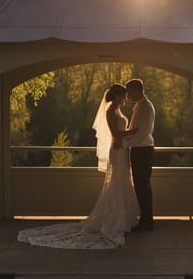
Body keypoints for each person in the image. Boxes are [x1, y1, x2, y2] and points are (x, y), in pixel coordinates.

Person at [17, 84, 139, 249]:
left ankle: (122, 220)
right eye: (124, 95)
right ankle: (114, 221)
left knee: (122, 183)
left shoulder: (117, 110)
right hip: (117, 151)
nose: (126, 98)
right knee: (116, 184)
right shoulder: (110, 111)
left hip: (123, 151)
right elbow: (116, 135)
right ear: (117, 95)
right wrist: (132, 132)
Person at [123, 79, 155, 231]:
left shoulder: (146, 107)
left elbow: (142, 133)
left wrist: (123, 144)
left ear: (137, 91)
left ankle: (147, 222)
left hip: (142, 150)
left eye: (129, 93)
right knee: (141, 186)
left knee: (142, 187)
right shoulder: (140, 106)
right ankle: (145, 220)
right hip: (140, 149)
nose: (128, 97)